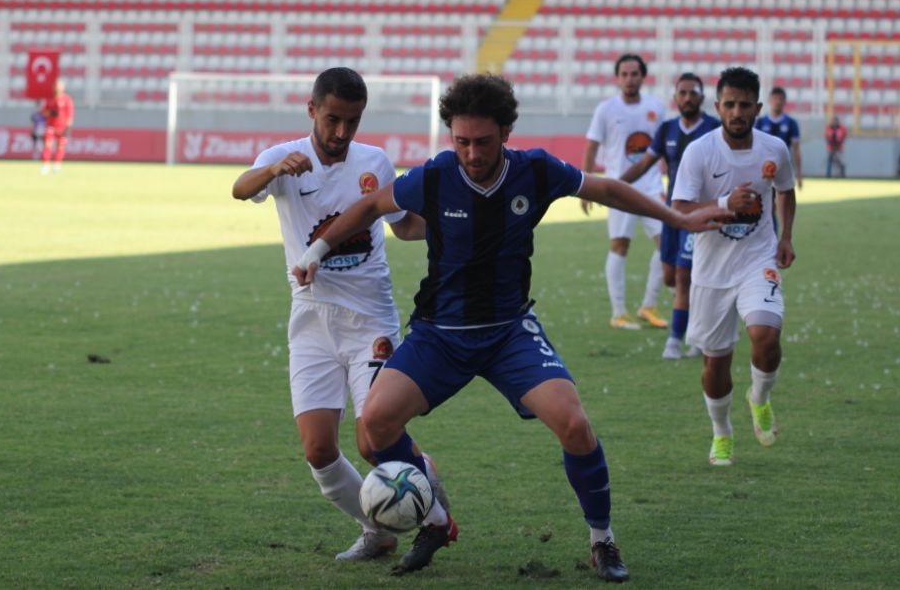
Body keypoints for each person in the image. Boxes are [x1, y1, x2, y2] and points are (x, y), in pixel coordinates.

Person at [293, 74, 729, 581]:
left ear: (506, 132)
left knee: (575, 425)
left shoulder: (537, 170)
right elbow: (371, 206)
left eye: (482, 142)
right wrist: (317, 251)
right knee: (375, 428)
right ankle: (434, 518)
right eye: (461, 141)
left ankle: (602, 540)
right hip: (440, 334)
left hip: (508, 332)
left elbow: (607, 188)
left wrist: (679, 221)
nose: (471, 153)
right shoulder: (434, 175)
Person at [231, 67, 442, 563]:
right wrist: (274, 170)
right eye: (332, 120)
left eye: (352, 121)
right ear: (311, 111)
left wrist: (452, 228)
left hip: (370, 321)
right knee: (319, 451)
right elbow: (241, 189)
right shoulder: (280, 159)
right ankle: (378, 530)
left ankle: (436, 517)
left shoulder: (374, 162)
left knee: (374, 437)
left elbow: (404, 226)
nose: (342, 133)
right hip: (309, 320)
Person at [672, 67, 796, 468]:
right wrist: (727, 203)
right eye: (730, 104)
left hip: (757, 259)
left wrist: (786, 236)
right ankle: (722, 432)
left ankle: (759, 398)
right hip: (711, 271)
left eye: (745, 104)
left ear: (758, 107)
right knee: (716, 362)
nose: (737, 111)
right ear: (718, 106)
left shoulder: (774, 148)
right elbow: (681, 211)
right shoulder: (700, 152)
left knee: (765, 333)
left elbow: (786, 191)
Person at [618, 72, 720, 360]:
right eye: (682, 93)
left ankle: (677, 341)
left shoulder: (714, 129)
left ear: (702, 97)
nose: (687, 98)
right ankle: (700, 323)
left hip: (699, 214)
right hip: (671, 213)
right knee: (670, 277)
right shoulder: (666, 130)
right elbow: (644, 165)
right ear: (675, 98)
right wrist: (615, 185)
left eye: (693, 93)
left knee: (685, 276)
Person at [581, 54, 669, 330]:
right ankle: (618, 312)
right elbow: (592, 148)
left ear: (643, 76)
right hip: (618, 188)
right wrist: (586, 187)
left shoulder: (657, 108)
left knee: (666, 244)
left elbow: (666, 147)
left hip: (653, 187)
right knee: (620, 245)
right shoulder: (606, 109)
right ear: (618, 78)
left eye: (634, 73)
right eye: (625, 74)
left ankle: (648, 306)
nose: (630, 79)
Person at [754, 87, 803, 191]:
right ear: (769, 100)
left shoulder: (791, 123)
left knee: (783, 200)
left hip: (783, 167)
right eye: (775, 98)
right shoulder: (760, 122)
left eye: (780, 99)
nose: (777, 102)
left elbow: (796, 150)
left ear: (785, 101)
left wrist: (799, 175)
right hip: (761, 168)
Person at [40, 80, 74, 174]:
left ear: (63, 87)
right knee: (47, 145)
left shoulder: (67, 99)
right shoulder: (49, 98)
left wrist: (68, 128)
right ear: (54, 87)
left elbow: (70, 114)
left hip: (62, 127)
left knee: (61, 146)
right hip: (50, 126)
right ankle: (46, 165)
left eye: (60, 86)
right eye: (57, 86)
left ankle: (57, 165)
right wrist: (50, 113)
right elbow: (43, 112)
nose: (58, 88)